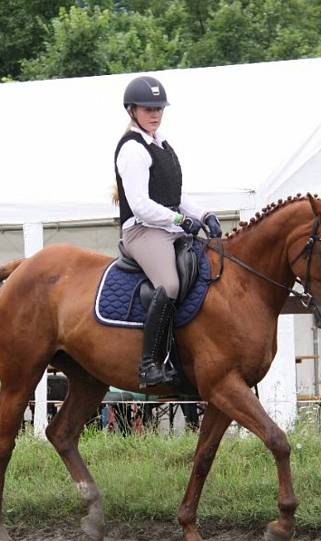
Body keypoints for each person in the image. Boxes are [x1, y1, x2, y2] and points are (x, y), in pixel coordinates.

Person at [114, 75, 222, 389]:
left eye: (159, 108)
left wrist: (204, 215)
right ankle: (150, 364)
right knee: (170, 284)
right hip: (142, 232)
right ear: (132, 110)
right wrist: (179, 220)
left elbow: (177, 196)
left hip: (166, 228)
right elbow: (140, 205)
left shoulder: (163, 145)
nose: (155, 113)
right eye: (148, 108)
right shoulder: (132, 150)